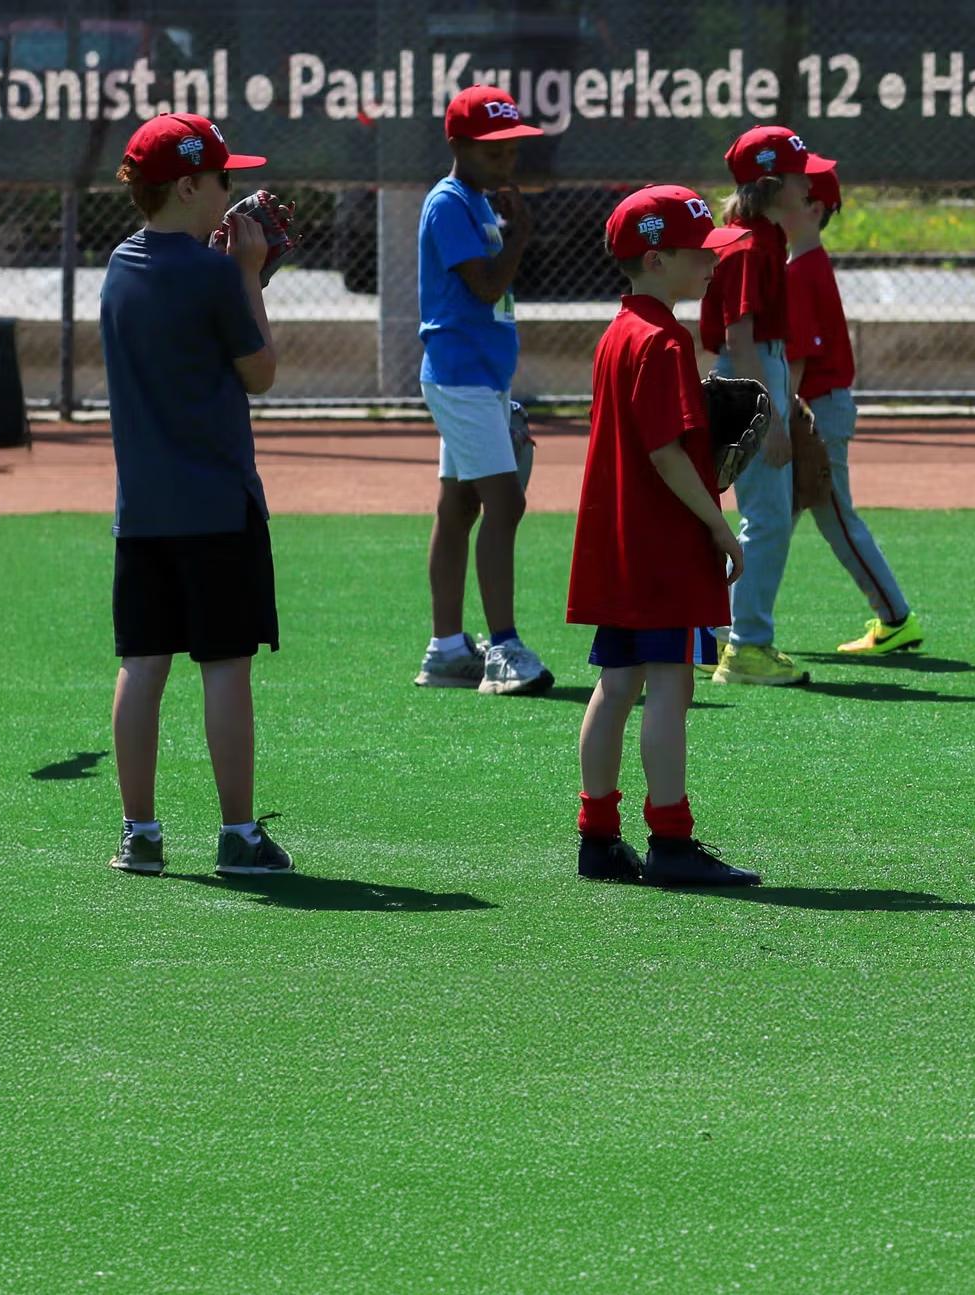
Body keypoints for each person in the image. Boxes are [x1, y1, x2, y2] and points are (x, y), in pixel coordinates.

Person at [100, 112, 293, 877]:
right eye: (222, 180)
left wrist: (230, 278)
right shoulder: (217, 274)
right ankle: (239, 834)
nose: (234, 195)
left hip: (141, 511)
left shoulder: (118, 265)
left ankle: (139, 832)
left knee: (142, 664)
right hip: (217, 506)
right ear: (186, 186)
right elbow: (260, 371)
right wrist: (247, 276)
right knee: (223, 665)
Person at [569, 185, 764, 887]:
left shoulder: (620, 330)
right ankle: (672, 841)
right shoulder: (664, 339)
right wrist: (718, 523)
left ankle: (597, 835)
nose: (710, 263)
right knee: (671, 687)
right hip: (663, 543)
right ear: (655, 259)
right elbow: (665, 451)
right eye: (696, 253)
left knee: (615, 684)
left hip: (621, 542)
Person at [413, 85, 554, 696]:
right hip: (460, 374)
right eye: (492, 149)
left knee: (460, 506)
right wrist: (520, 233)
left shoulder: (474, 199)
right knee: (506, 503)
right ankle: (504, 648)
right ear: (457, 145)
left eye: (511, 147)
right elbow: (485, 288)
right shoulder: (450, 202)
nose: (506, 159)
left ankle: (446, 651)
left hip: (480, 375)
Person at [702, 125, 829, 686]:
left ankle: (725, 634)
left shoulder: (751, 235)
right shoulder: (751, 244)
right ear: (774, 184)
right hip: (750, 373)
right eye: (800, 174)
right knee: (769, 517)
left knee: (760, 515)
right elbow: (739, 336)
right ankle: (747, 645)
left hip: (750, 374)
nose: (810, 182)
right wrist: (772, 414)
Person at [779, 165, 923, 655]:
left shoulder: (801, 269)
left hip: (816, 411)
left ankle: (896, 617)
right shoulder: (805, 263)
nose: (777, 205)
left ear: (814, 210)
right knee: (773, 520)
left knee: (835, 517)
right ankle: (730, 624)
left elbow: (797, 357)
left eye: (790, 197)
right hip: (818, 407)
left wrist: (782, 416)